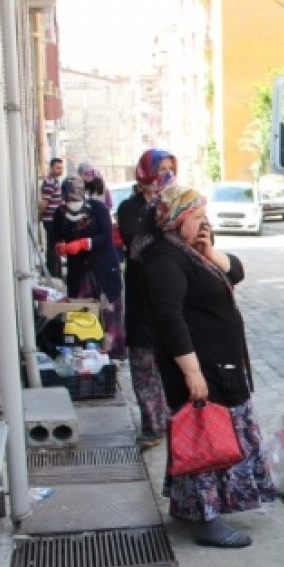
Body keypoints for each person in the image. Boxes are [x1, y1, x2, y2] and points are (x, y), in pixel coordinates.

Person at [141, 184, 275, 548]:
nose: (204, 223)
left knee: (216, 435)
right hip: (202, 365)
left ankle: (193, 508)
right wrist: (192, 372)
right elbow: (170, 319)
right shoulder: (164, 260)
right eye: (197, 217)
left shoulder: (190, 251)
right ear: (177, 219)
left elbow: (237, 272)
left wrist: (210, 250)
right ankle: (206, 520)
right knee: (204, 439)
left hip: (222, 362)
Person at [118, 149, 177, 447]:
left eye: (170, 169)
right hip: (142, 296)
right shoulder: (130, 208)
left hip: (170, 293)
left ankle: (173, 419)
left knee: (172, 360)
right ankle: (152, 425)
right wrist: (157, 210)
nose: (165, 176)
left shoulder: (177, 203)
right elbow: (137, 245)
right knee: (144, 364)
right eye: (159, 170)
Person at [52, 177, 125, 358]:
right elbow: (55, 236)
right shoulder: (60, 214)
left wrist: (84, 244)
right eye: (69, 200)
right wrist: (60, 247)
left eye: (75, 199)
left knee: (109, 312)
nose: (72, 204)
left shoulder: (97, 209)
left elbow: (106, 235)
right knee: (83, 313)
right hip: (79, 271)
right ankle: (87, 352)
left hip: (104, 268)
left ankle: (112, 352)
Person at [38, 157, 65, 277]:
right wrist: (40, 216)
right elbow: (45, 202)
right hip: (51, 220)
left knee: (54, 246)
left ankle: (55, 272)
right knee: (52, 247)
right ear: (51, 168)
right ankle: (53, 273)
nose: (60, 170)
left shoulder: (55, 182)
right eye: (57, 168)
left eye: (61, 168)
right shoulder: (49, 183)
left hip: (55, 219)